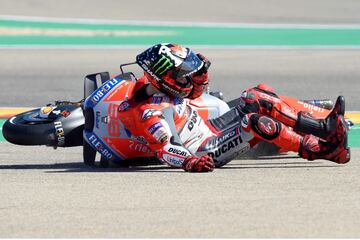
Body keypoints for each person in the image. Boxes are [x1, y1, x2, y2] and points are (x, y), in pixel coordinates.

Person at [117, 43, 350, 172]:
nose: (187, 79)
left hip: (209, 128)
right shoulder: (149, 114)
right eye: (183, 75)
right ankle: (326, 151)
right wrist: (190, 162)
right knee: (256, 123)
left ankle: (323, 127)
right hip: (205, 149)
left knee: (256, 95)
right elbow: (164, 149)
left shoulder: (159, 86)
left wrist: (201, 73)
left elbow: (195, 92)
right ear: (164, 78)